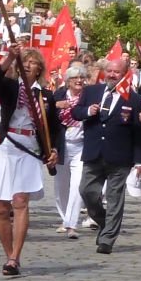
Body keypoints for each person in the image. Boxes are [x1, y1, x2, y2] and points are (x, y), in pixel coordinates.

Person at [0, 48, 54, 276]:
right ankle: (8, 253)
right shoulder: (11, 88)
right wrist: (8, 57)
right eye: (24, 61)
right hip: (3, 146)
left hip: (27, 148)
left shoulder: (45, 95)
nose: (28, 65)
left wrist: (53, 150)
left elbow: (53, 127)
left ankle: (15, 257)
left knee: (20, 201)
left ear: (40, 69)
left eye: (33, 62)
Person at [74, 54, 141, 255]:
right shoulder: (91, 92)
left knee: (115, 198)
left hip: (120, 156)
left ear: (125, 75)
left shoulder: (134, 99)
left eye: (117, 72)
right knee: (87, 191)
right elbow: (76, 113)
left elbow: (138, 132)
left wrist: (140, 160)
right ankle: (104, 222)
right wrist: (87, 111)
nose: (112, 75)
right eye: (110, 71)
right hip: (94, 153)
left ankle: (107, 239)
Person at [47, 64, 89, 239]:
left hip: (82, 145)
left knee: (77, 185)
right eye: (75, 78)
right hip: (62, 145)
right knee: (61, 186)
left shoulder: (88, 96)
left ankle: (72, 223)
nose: (79, 81)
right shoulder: (58, 95)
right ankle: (65, 218)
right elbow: (47, 114)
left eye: (81, 78)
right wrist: (56, 105)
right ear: (68, 81)